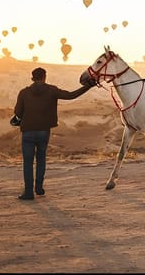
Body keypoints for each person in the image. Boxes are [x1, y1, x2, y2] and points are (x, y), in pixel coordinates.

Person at [12, 67, 95, 200]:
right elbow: (71, 95)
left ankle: (28, 192)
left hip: (28, 131)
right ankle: (39, 188)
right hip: (44, 131)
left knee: (28, 162)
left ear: (32, 78)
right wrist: (89, 85)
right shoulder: (52, 90)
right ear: (44, 77)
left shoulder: (24, 93)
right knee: (41, 159)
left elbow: (17, 113)